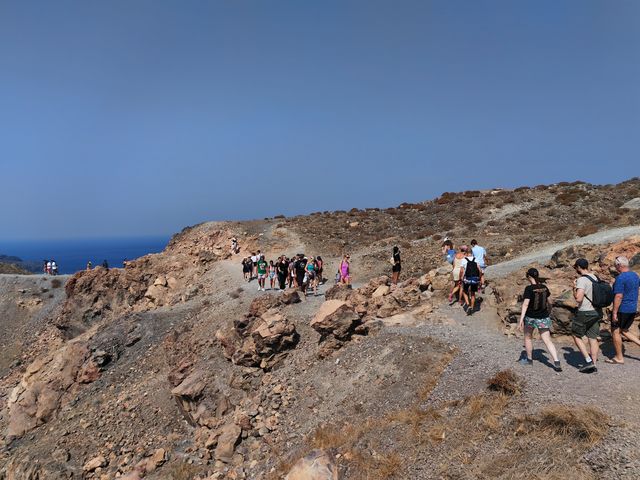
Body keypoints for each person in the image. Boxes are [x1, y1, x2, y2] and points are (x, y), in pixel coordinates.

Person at [518, 268, 562, 371]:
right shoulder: (544, 288)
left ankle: (529, 360)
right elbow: (549, 302)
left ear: (529, 276)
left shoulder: (529, 289)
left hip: (531, 317)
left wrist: (521, 319)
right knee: (547, 340)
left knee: (528, 338)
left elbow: (525, 304)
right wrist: (548, 311)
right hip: (543, 317)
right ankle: (556, 361)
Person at [607, 256, 640, 364]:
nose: (615, 267)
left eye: (616, 265)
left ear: (619, 265)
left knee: (615, 331)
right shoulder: (635, 275)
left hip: (623, 309)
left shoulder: (620, 278)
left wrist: (614, 312)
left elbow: (618, 296)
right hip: (632, 308)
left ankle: (619, 358)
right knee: (624, 330)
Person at [572, 258, 601, 373]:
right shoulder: (595, 277)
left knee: (576, 335)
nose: (576, 270)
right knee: (593, 338)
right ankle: (594, 364)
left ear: (579, 267)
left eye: (575, 268)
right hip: (597, 311)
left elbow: (578, 298)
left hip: (585, 311)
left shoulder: (582, 280)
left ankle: (588, 361)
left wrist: (574, 288)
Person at [460, 250, 481, 315]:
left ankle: (468, 304)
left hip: (467, 279)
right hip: (475, 279)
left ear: (466, 254)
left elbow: (462, 271)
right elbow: (479, 270)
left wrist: (461, 278)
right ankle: (472, 308)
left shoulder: (464, 260)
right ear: (472, 254)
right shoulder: (476, 259)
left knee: (464, 292)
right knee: (473, 293)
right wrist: (479, 277)